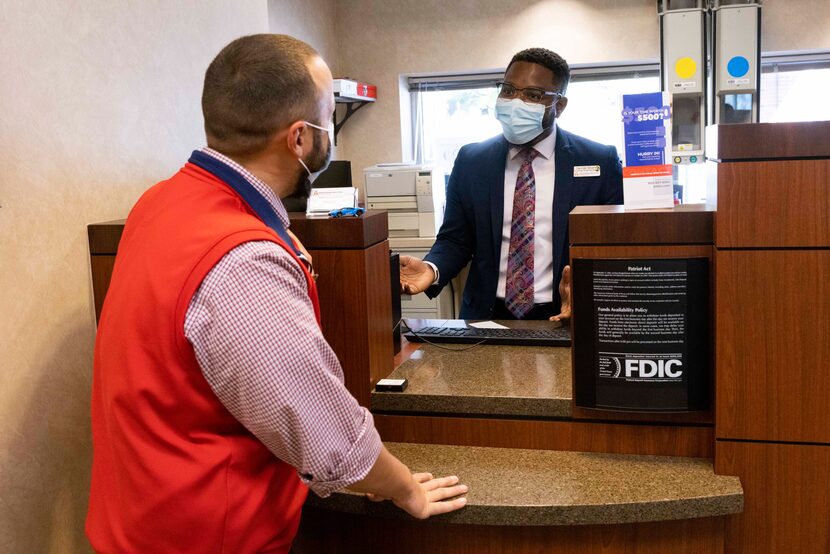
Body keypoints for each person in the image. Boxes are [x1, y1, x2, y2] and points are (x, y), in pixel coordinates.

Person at [85, 34, 467, 554]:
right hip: (209, 535)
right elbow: (324, 432)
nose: (331, 129)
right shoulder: (243, 261)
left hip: (141, 513)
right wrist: (402, 487)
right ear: (300, 139)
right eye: (329, 115)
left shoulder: (161, 203)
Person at [400, 48, 623, 321]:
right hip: (485, 317)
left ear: (559, 106)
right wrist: (431, 268)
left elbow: (614, 246)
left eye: (533, 95)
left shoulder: (599, 161)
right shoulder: (472, 160)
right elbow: (456, 239)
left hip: (565, 316)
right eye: (508, 90)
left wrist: (591, 292)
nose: (516, 101)